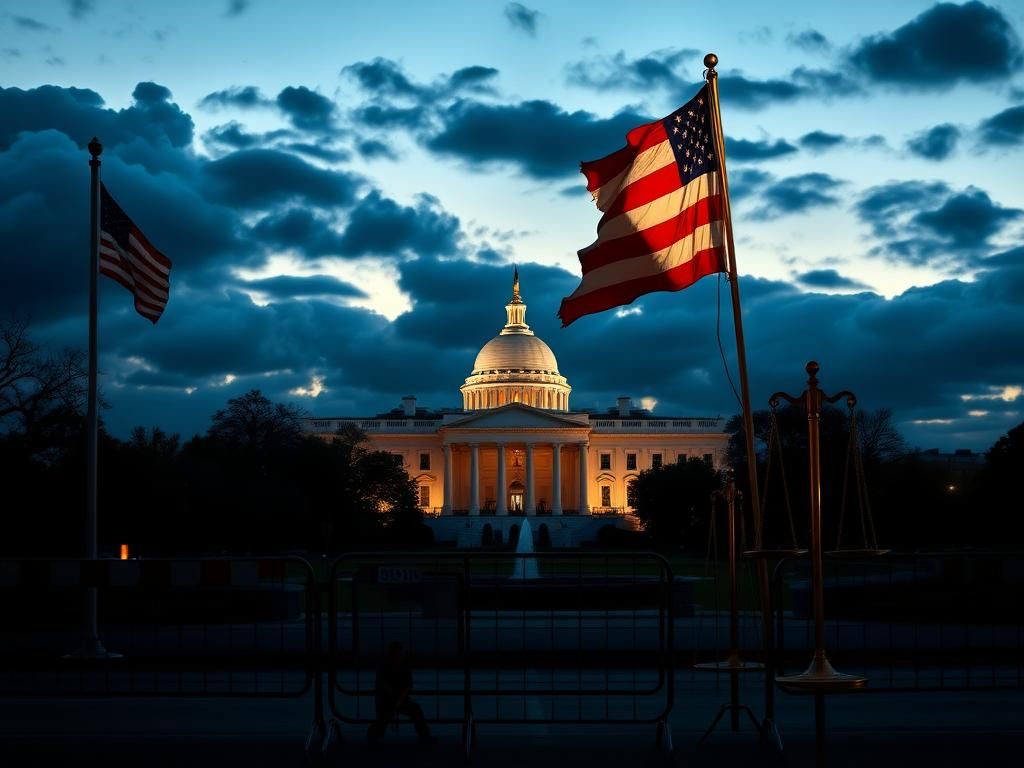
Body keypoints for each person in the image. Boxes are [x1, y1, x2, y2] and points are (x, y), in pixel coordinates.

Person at [367, 640, 435, 747]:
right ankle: (424, 736)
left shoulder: (387, 666)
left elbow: (391, 686)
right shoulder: (400, 666)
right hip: (390, 698)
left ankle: (375, 734)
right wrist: (397, 701)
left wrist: (396, 701)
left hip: (390, 698)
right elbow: (401, 686)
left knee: (386, 717)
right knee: (413, 710)